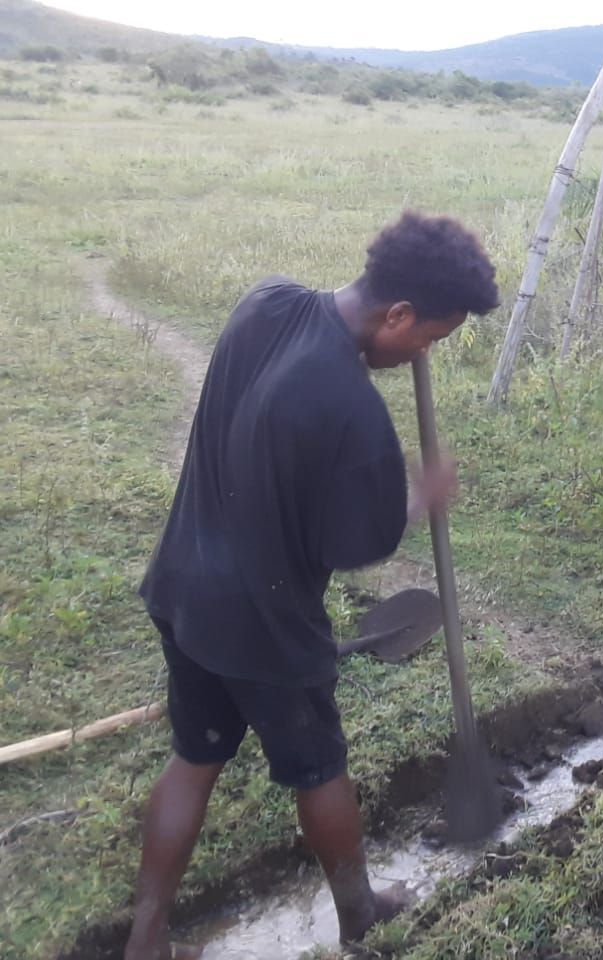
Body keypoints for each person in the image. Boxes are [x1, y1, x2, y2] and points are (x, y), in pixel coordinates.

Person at [124, 211, 500, 960]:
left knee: (195, 757)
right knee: (321, 766)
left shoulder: (265, 301)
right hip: (265, 625)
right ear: (398, 314)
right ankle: (360, 913)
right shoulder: (353, 409)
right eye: (429, 337)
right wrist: (419, 498)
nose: (423, 352)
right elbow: (354, 544)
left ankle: (147, 937)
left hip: (183, 586)